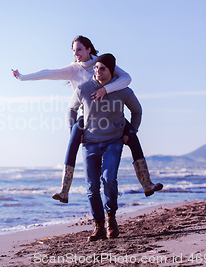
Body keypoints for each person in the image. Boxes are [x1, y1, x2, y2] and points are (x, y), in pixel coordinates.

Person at [12, 36, 162, 203]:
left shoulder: (102, 62)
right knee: (72, 141)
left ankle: (147, 184)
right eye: (74, 51)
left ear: (89, 49)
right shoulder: (73, 69)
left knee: (133, 137)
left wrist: (105, 89)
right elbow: (47, 73)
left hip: (110, 114)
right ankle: (64, 190)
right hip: (87, 116)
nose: (76, 54)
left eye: (79, 50)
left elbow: (126, 79)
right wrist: (22, 77)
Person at [70, 53, 140, 241]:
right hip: (90, 143)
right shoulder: (84, 89)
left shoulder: (123, 90)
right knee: (92, 187)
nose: (97, 71)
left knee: (109, 179)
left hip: (113, 141)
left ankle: (111, 218)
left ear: (111, 71)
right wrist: (75, 133)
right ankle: (98, 226)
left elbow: (137, 110)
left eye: (102, 68)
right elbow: (72, 109)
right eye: (95, 68)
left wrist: (130, 132)